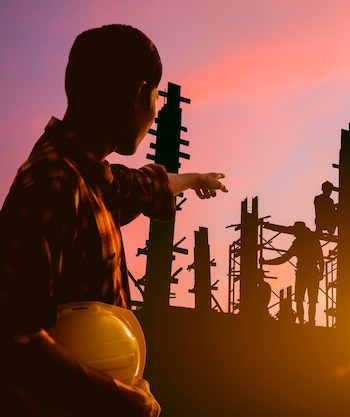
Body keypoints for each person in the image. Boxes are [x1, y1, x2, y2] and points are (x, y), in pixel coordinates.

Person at [0, 25, 227, 417]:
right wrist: (112, 397)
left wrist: (195, 179)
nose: (155, 114)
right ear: (141, 93)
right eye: (155, 96)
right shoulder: (53, 181)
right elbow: (13, 338)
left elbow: (144, 184)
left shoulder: (92, 178)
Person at [261, 222, 323, 325]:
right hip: (313, 273)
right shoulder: (313, 240)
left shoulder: (298, 243)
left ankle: (302, 323)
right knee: (312, 301)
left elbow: (283, 258)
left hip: (303, 274)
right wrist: (321, 272)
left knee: (300, 300)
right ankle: (311, 322)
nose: (294, 234)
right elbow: (320, 258)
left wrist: (267, 262)